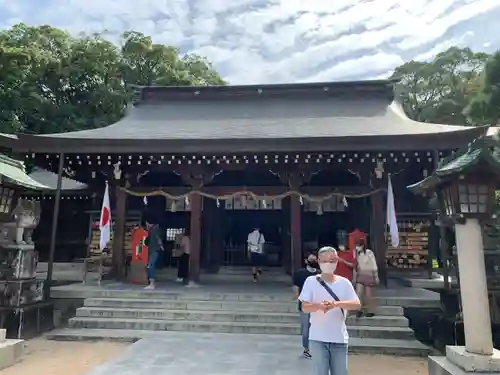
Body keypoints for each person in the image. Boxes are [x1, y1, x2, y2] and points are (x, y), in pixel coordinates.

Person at [299, 246, 360, 375]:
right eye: (325, 260)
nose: (329, 264)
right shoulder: (311, 281)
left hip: (339, 338)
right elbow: (305, 307)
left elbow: (356, 304)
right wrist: (319, 306)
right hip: (318, 338)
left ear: (337, 262)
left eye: (332, 260)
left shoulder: (344, 283)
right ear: (319, 261)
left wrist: (336, 304)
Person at [292, 253, 320, 359]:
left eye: (315, 259)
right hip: (305, 304)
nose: (313, 261)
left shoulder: (319, 274)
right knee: (305, 329)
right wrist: (298, 295)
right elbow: (296, 286)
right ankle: (306, 349)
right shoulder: (300, 274)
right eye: (311, 259)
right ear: (306, 261)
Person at [354, 240, 378, 317]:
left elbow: (373, 264)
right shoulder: (356, 254)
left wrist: (376, 276)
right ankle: (359, 310)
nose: (357, 247)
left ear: (363, 246)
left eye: (359, 246)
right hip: (360, 274)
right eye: (356, 246)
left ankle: (371, 311)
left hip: (369, 274)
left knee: (368, 295)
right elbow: (355, 265)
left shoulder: (369, 252)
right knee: (359, 293)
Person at [144, 219, 164, 290]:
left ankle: (152, 283)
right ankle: (151, 282)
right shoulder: (151, 230)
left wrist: (161, 245)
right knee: (150, 265)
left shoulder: (155, 229)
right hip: (153, 249)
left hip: (155, 249)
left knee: (150, 265)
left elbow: (158, 238)